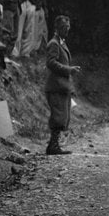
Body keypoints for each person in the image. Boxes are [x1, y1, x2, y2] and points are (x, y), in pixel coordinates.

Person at [44, 15, 81, 155]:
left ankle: (54, 144)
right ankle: (53, 146)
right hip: (55, 86)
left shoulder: (61, 42)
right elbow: (51, 63)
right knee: (58, 116)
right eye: (64, 28)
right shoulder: (54, 43)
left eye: (68, 28)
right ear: (57, 28)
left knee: (63, 115)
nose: (67, 30)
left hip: (61, 86)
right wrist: (69, 69)